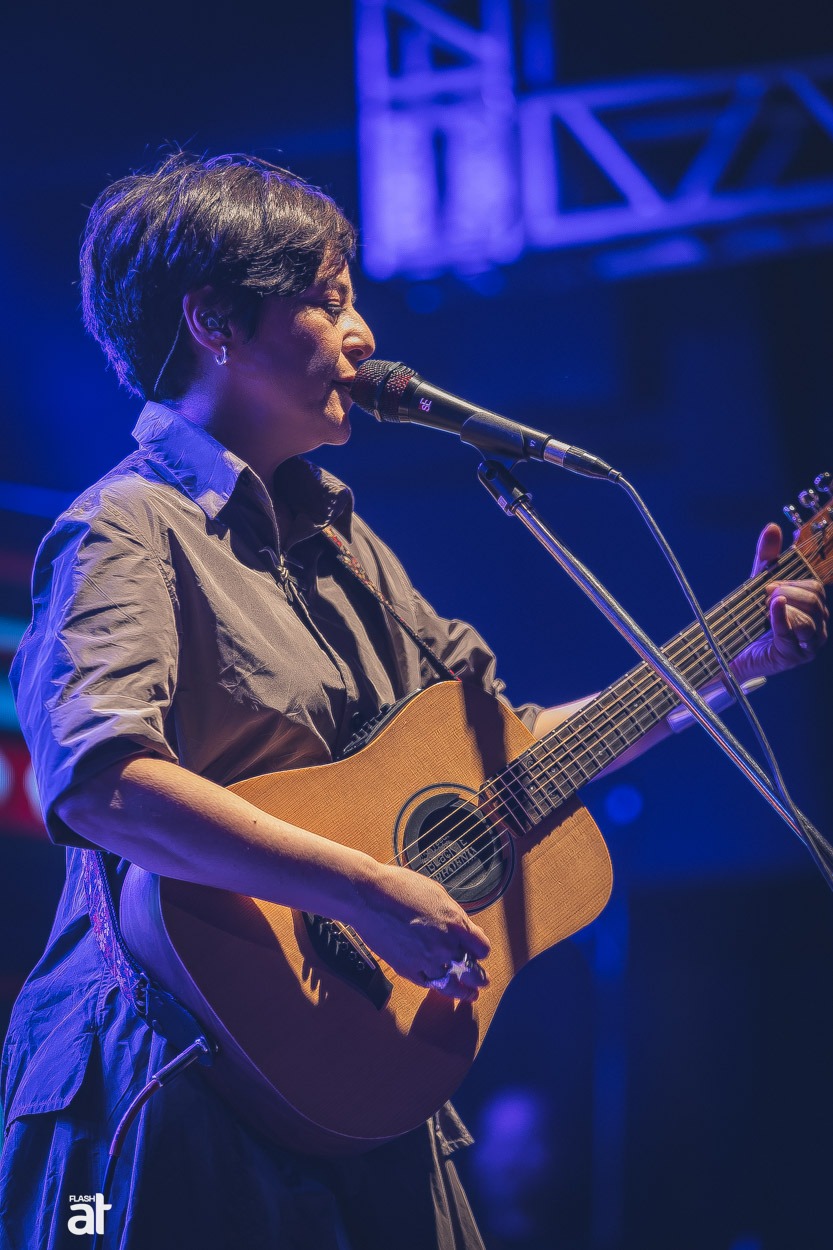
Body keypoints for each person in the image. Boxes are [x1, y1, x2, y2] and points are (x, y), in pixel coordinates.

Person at [0, 152, 827, 1250]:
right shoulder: (127, 526)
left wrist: (730, 660)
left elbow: (513, 752)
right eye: (328, 298)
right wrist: (364, 889)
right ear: (214, 321)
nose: (363, 335)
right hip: (159, 1084)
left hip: (355, 1094)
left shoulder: (348, 550)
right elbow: (101, 784)